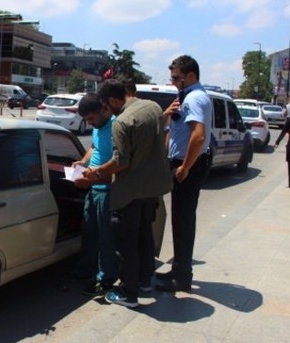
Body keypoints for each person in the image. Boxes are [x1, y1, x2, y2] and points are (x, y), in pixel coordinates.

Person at [84, 80, 172, 308]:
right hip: (152, 188)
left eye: (107, 105)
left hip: (130, 192)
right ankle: (144, 282)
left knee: (126, 244)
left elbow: (120, 162)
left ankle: (128, 293)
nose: (107, 110)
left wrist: (96, 173)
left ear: (113, 100)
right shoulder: (153, 108)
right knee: (144, 237)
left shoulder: (121, 122)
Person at [156, 55, 212, 293]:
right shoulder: (189, 97)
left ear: (191, 76)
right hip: (184, 162)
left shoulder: (194, 99)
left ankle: (182, 277)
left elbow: (198, 136)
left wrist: (185, 166)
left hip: (187, 164)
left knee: (183, 221)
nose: (174, 82)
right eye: (172, 78)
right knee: (181, 219)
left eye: (177, 78)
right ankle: (180, 270)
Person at [69, 92, 118, 297]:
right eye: (86, 120)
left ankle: (105, 277)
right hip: (93, 187)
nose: (90, 124)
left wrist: (93, 176)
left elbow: (120, 161)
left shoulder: (117, 126)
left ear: (104, 110)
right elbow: (94, 147)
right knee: (89, 232)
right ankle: (86, 268)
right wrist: (83, 162)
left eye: (92, 119)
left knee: (106, 238)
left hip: (108, 190)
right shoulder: (98, 127)